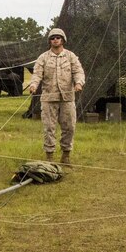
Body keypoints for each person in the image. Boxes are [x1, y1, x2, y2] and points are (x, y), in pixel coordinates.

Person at [28, 27, 85, 166]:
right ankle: (49, 158)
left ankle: (66, 156)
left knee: (70, 127)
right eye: (52, 38)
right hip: (48, 98)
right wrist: (33, 85)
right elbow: (37, 74)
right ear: (49, 41)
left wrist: (79, 83)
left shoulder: (71, 56)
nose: (55, 40)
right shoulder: (43, 57)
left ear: (63, 40)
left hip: (67, 97)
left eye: (58, 38)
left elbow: (78, 72)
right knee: (49, 128)